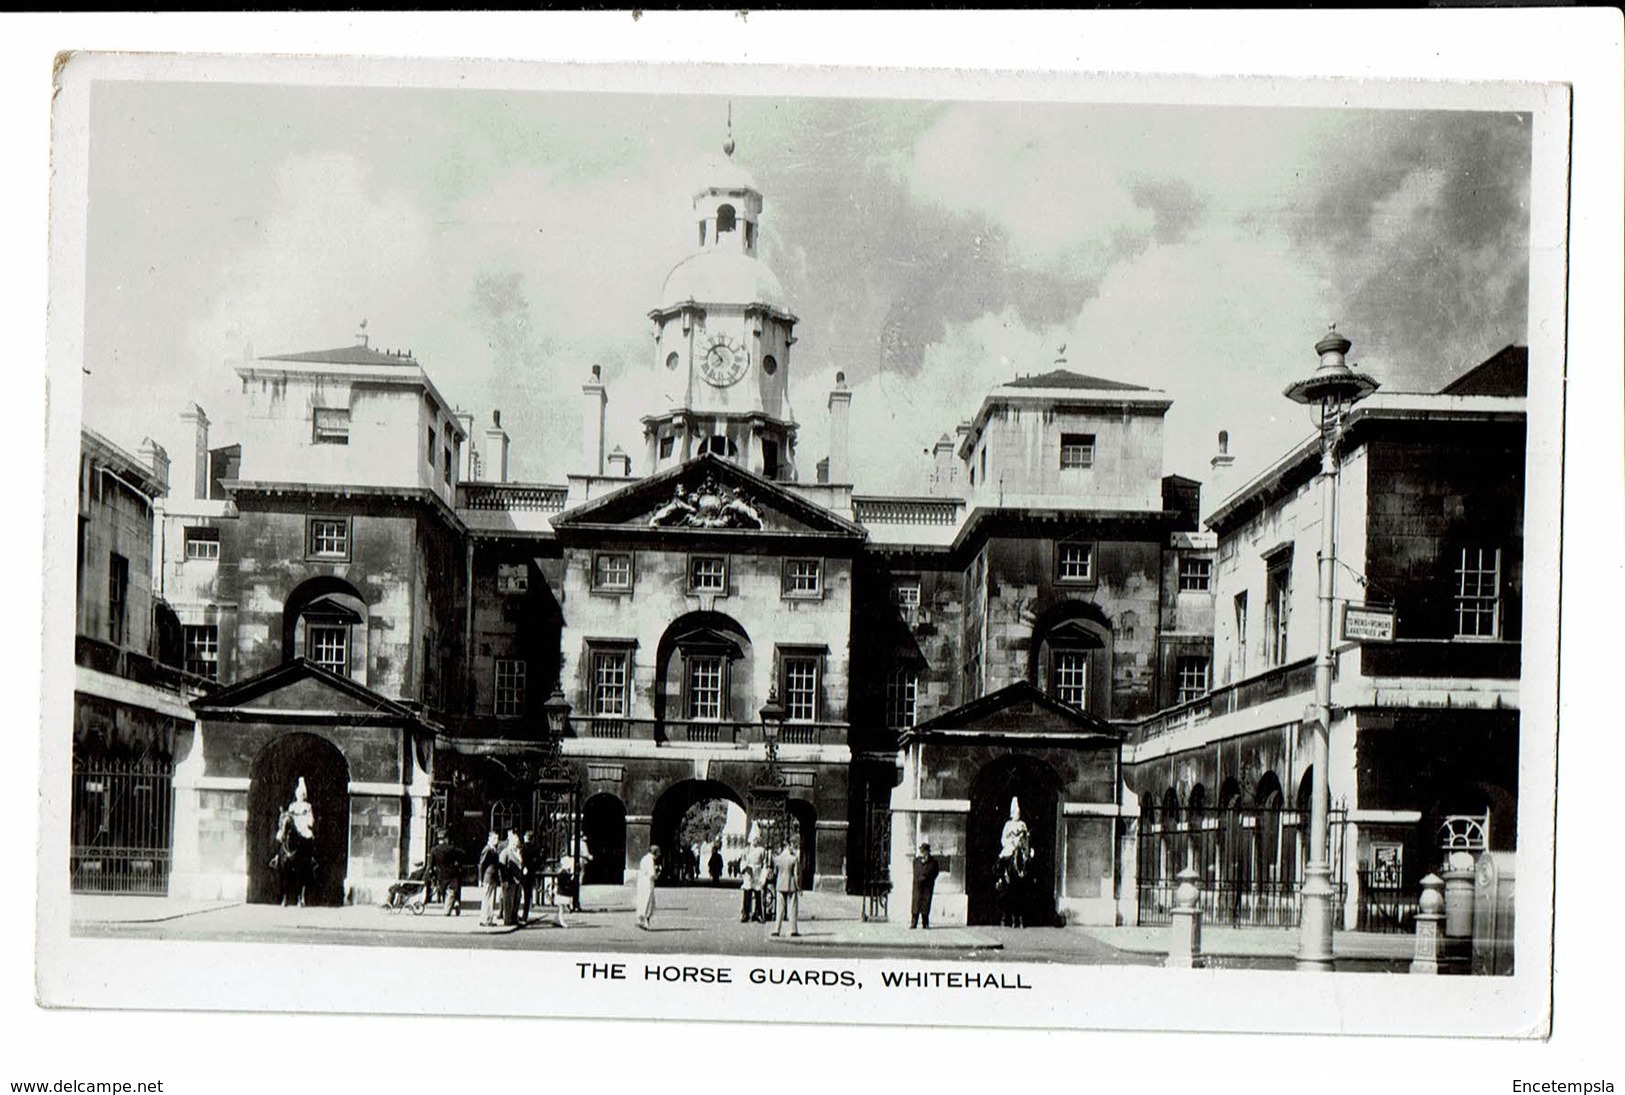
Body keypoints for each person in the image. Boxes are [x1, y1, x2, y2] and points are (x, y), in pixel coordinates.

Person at [427, 830, 462, 916]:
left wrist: (431, 874)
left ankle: (448, 907)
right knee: (452, 890)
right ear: (446, 839)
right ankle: (452, 905)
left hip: (441, 874)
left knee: (444, 891)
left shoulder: (434, 850)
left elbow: (430, 864)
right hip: (452, 873)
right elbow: (461, 855)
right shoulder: (452, 849)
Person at [771, 841, 801, 937]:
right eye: (792, 846)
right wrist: (798, 887)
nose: (793, 848)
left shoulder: (777, 859)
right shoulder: (793, 859)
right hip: (791, 884)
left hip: (780, 884)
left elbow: (774, 873)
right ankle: (793, 930)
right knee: (792, 908)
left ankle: (777, 929)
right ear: (788, 846)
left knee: (779, 908)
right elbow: (796, 875)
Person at [910, 842, 940, 929]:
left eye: (924, 851)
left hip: (927, 886)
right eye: (921, 851)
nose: (922, 853)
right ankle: (914, 922)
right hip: (918, 886)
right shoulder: (916, 861)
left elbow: (936, 872)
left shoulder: (933, 861)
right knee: (916, 904)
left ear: (927, 852)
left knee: (926, 904)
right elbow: (915, 871)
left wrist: (929, 879)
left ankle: (925, 923)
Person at [499, 830, 525, 926]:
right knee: (508, 901)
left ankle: (514, 918)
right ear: (510, 842)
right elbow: (502, 868)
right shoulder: (505, 853)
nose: (516, 844)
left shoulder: (518, 853)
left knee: (516, 899)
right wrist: (504, 880)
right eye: (514, 843)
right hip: (509, 880)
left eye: (516, 843)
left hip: (518, 880)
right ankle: (507, 919)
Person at [740, 835, 767, 923]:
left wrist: (763, 874)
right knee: (747, 893)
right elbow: (743, 860)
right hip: (748, 872)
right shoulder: (747, 849)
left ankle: (758, 913)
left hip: (757, 872)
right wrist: (744, 868)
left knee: (758, 893)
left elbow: (764, 862)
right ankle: (746, 913)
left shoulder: (761, 850)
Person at [477, 831, 502, 926]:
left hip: (492, 877)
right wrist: (480, 879)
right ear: (489, 839)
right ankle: (486, 919)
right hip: (488, 877)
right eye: (495, 838)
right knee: (488, 898)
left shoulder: (493, 849)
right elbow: (481, 864)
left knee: (490, 898)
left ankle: (488, 918)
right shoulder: (487, 849)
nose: (497, 840)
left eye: (497, 838)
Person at [635, 845, 661, 929]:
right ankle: (645, 921)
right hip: (647, 882)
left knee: (641, 900)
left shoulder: (644, 858)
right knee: (648, 901)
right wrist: (658, 873)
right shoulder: (651, 860)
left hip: (641, 881)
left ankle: (640, 919)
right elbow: (652, 874)